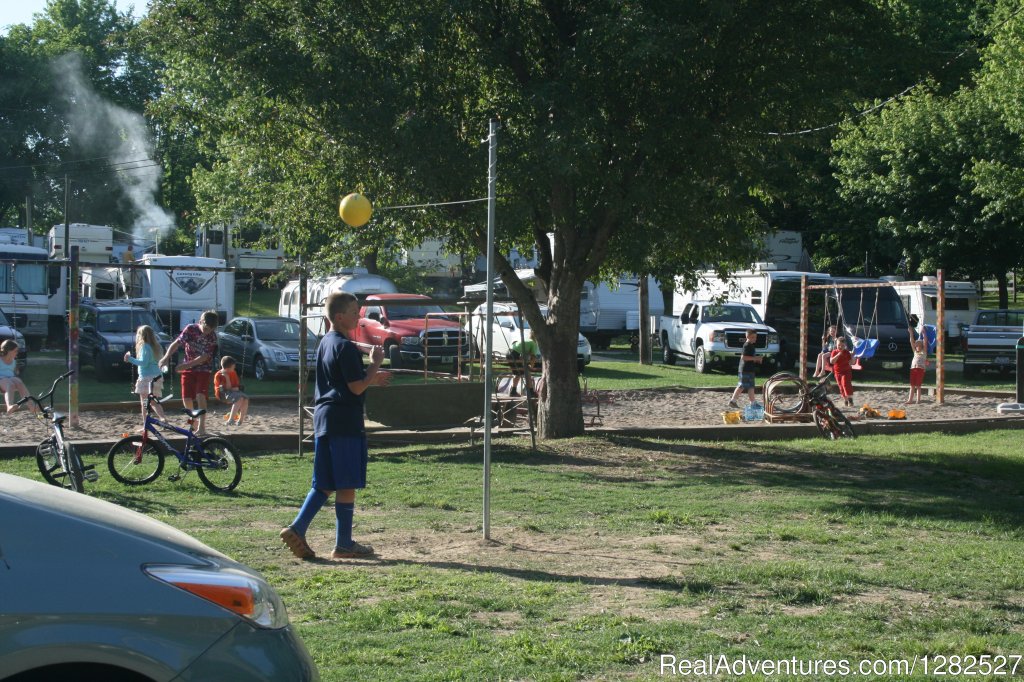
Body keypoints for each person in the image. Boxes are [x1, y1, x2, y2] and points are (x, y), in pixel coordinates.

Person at [280, 292, 391, 561]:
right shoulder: (345, 346)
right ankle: (342, 544)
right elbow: (355, 388)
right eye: (354, 312)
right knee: (347, 482)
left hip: (325, 419)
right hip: (344, 421)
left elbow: (341, 382)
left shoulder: (326, 343)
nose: (359, 316)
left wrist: (371, 379)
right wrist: (375, 365)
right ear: (339, 317)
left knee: (326, 482)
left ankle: (300, 528)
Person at [159, 310, 219, 435]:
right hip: (188, 368)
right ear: (200, 322)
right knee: (186, 397)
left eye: (211, 329)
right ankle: (193, 423)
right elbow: (176, 344)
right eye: (206, 328)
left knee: (200, 396)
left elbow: (204, 358)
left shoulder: (212, 337)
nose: (207, 332)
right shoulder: (190, 329)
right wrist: (166, 358)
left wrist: (185, 366)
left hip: (203, 369)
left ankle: (202, 427)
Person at [124, 325, 167, 424]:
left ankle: (145, 425)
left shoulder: (145, 346)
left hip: (147, 378)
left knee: (144, 403)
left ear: (141, 336)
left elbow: (144, 362)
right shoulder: (157, 346)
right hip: (157, 377)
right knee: (153, 401)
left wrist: (129, 359)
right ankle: (163, 418)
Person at [728, 329, 762, 408]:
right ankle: (733, 401)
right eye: (753, 337)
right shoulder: (746, 345)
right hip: (745, 369)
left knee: (751, 386)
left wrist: (756, 360)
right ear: (748, 337)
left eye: (755, 337)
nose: (755, 339)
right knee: (742, 385)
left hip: (750, 369)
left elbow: (750, 357)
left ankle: (753, 403)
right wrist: (755, 358)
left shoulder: (751, 345)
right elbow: (743, 357)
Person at [0, 340, 35, 414]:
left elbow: (15, 372)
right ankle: (9, 406)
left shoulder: (13, 361)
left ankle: (31, 404)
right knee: (10, 384)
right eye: (15, 351)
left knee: (18, 381)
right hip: (1, 380)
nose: (17, 353)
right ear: (9, 351)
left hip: (10, 378)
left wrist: (17, 370)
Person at [214, 355, 249, 425]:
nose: (234, 367)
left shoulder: (233, 372)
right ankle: (231, 420)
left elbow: (235, 387)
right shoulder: (218, 375)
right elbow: (226, 389)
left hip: (233, 392)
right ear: (228, 368)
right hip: (223, 394)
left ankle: (240, 420)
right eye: (233, 366)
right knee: (239, 398)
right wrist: (227, 377)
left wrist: (235, 388)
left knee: (245, 398)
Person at [829, 336, 855, 407]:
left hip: (846, 372)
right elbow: (832, 361)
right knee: (840, 386)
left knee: (845, 384)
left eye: (842, 346)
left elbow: (852, 363)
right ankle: (845, 399)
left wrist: (852, 356)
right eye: (839, 345)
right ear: (836, 345)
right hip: (837, 372)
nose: (840, 347)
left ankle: (850, 399)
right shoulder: (834, 352)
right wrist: (837, 355)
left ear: (845, 346)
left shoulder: (847, 352)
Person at [906, 322, 928, 404]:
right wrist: (911, 333)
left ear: (921, 346)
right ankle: (910, 400)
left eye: (919, 345)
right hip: (913, 369)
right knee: (912, 385)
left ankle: (918, 400)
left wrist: (924, 333)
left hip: (920, 369)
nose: (917, 346)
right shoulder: (915, 351)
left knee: (918, 386)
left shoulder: (924, 352)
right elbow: (911, 341)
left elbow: (925, 342)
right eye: (916, 345)